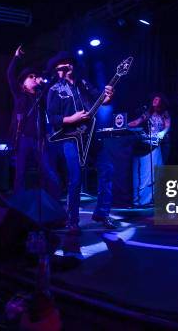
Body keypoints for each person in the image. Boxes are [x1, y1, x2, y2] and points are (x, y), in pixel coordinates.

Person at [45, 51, 116, 234]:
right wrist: (71, 118)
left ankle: (102, 213)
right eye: (61, 66)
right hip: (71, 137)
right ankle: (72, 220)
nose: (66, 67)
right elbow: (52, 118)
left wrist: (108, 97)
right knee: (75, 178)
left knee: (107, 169)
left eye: (68, 64)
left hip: (91, 134)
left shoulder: (83, 83)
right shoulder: (54, 90)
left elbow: (100, 100)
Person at [7, 45, 60, 200]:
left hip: (39, 140)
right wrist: (16, 57)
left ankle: (54, 202)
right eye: (30, 77)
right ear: (23, 82)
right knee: (20, 172)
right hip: (23, 138)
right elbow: (10, 75)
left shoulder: (41, 96)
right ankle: (19, 203)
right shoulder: (19, 95)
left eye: (34, 76)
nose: (34, 78)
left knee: (47, 170)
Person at [128, 93, 171, 163]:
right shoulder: (149, 113)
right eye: (154, 99)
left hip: (164, 142)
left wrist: (162, 133)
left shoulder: (164, 113)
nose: (154, 100)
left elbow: (167, 126)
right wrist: (125, 125)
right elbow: (136, 122)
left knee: (163, 162)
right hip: (153, 142)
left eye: (157, 99)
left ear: (161, 102)